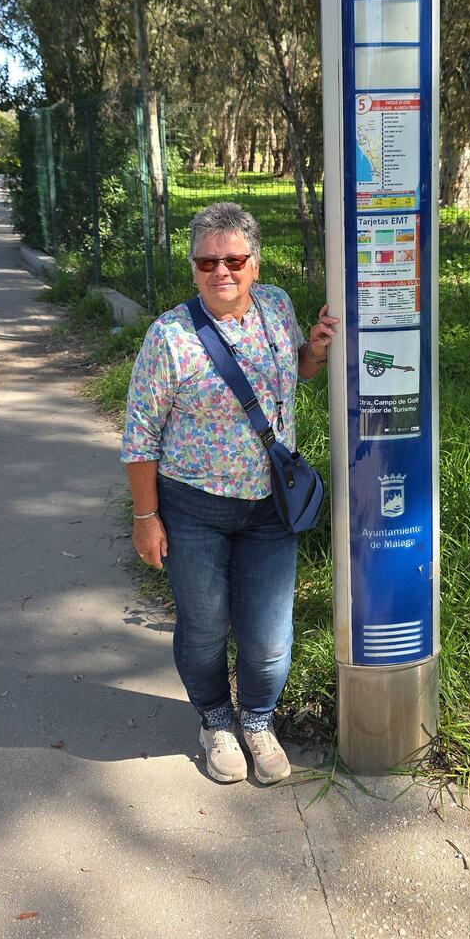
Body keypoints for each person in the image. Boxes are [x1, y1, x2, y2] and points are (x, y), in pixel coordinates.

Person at [120, 201, 338, 784]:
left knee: (268, 636)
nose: (222, 271)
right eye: (207, 261)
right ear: (193, 268)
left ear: (255, 264)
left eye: (235, 259)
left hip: (271, 507)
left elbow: (296, 374)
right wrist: (147, 517)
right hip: (193, 507)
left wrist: (313, 349)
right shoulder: (169, 335)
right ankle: (216, 721)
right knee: (204, 623)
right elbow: (140, 433)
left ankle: (258, 719)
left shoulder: (277, 307)